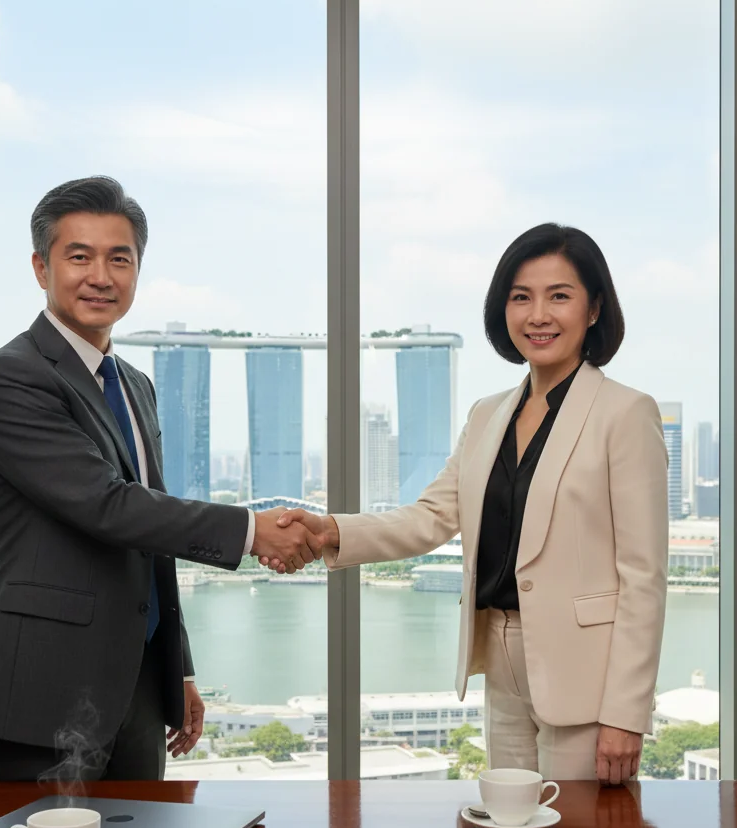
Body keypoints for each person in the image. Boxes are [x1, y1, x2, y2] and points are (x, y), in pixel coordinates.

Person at [0, 176, 320, 781]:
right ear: (41, 268)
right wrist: (253, 531)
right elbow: (108, 506)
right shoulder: (11, 378)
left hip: (139, 688)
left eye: (119, 259)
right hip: (45, 686)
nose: (101, 276)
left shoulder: (135, 387)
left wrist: (177, 668)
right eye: (80, 257)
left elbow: (151, 527)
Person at [271, 224, 668, 783]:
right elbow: (431, 516)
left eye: (559, 295)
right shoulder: (488, 414)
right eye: (521, 297)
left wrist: (627, 714)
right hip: (499, 652)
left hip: (585, 673)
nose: (538, 315)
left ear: (595, 308)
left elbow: (643, 577)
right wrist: (330, 530)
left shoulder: (626, 414)